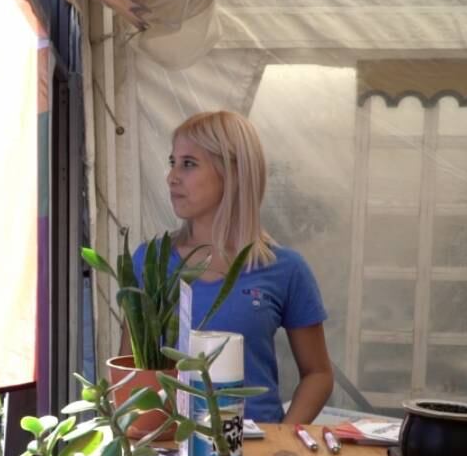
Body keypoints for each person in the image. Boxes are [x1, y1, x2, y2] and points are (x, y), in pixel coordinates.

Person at [133, 110, 333, 424]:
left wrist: (282, 439)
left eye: (189, 164)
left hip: (257, 448)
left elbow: (318, 373)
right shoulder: (150, 261)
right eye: (173, 163)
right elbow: (132, 366)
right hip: (167, 446)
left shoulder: (285, 269)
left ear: (234, 173)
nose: (172, 177)